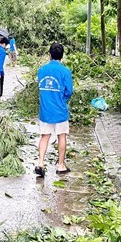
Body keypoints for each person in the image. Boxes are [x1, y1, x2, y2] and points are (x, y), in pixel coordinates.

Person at [35, 43, 73, 178]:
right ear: (62, 56)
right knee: (61, 136)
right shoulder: (65, 71)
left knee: (44, 136)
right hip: (60, 110)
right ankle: (61, 165)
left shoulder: (42, 70)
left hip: (45, 111)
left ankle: (40, 163)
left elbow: (40, 87)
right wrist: (61, 98)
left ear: (49, 54)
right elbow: (69, 91)